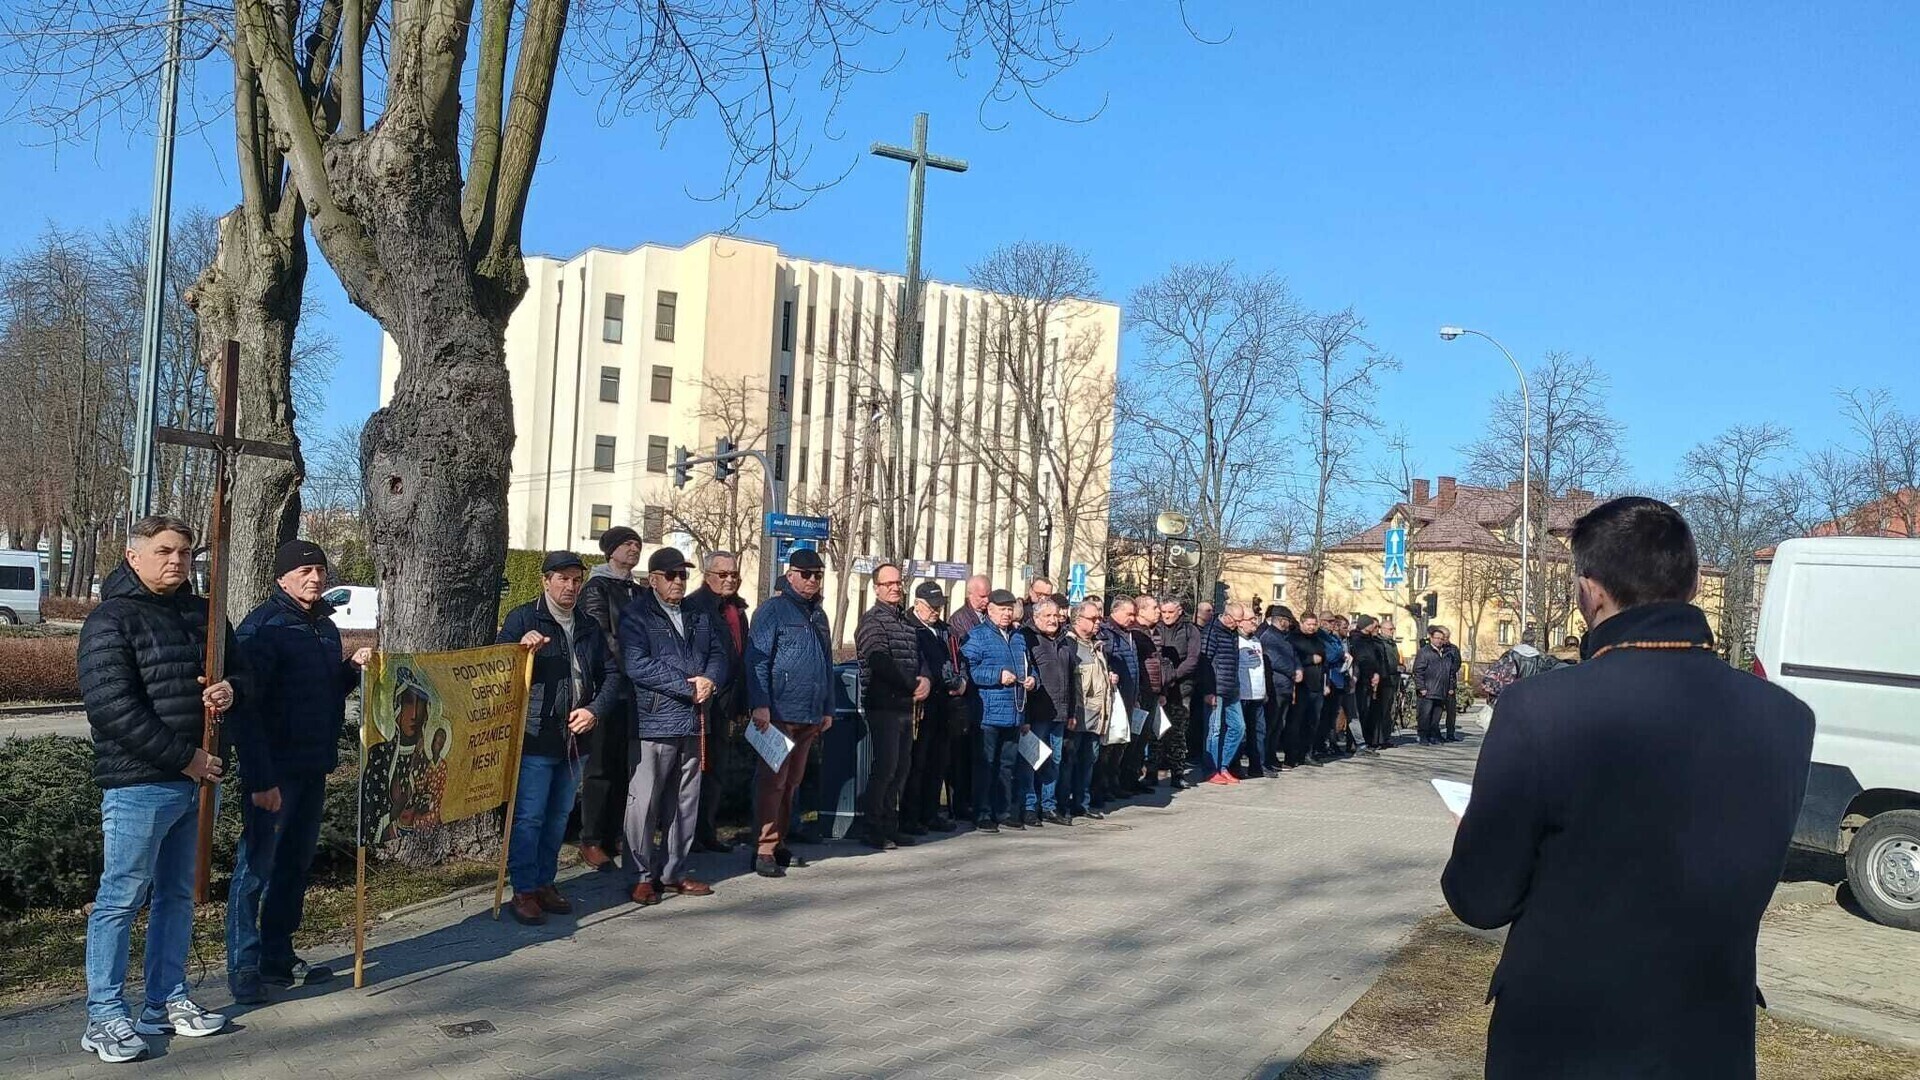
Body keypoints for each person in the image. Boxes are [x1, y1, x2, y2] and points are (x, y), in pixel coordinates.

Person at [1442, 496, 1815, 1080]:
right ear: (1693, 583)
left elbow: (1480, 899)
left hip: (1565, 1038)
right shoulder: (1788, 717)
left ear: (1589, 591)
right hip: (1707, 1038)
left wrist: (1477, 833)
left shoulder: (1539, 710)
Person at [77, 516, 242, 1061]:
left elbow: (242, 675)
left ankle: (166, 1000)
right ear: (133, 557)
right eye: (165, 551)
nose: (178, 561)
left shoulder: (204, 615)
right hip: (139, 784)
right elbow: (112, 708)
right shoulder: (110, 620)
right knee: (120, 898)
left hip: (197, 781)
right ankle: (104, 1015)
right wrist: (186, 757)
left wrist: (228, 690)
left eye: (186, 552)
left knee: (177, 896)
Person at [226, 540, 373, 1004]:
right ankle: (244, 965)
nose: (315, 578)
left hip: (313, 766)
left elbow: (325, 691)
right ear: (282, 578)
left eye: (320, 570)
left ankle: (278, 955)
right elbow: (247, 710)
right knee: (255, 869)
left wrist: (350, 668)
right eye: (305, 570)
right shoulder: (262, 629)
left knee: (293, 866)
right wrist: (260, 779)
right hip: (275, 772)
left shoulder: (324, 627)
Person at [497, 551, 621, 924]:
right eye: (563, 579)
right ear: (545, 581)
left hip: (575, 740)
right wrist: (520, 650)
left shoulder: (587, 624)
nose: (570, 587)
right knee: (529, 818)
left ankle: (545, 882)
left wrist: (594, 711)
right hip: (537, 736)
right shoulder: (524, 618)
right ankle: (523, 890)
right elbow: (497, 667)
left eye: (576, 580)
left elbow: (612, 675)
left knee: (558, 818)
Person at [618, 547, 729, 905]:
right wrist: (687, 686)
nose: (679, 581)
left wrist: (710, 680)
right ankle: (640, 874)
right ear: (653, 580)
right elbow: (637, 665)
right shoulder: (637, 615)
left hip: (695, 721)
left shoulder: (698, 613)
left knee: (685, 802)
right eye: (671, 575)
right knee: (645, 803)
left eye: (683, 574)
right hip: (655, 720)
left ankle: (673, 872)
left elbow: (719, 653)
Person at [745, 549, 836, 878]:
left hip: (810, 714)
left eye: (817, 575)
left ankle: (779, 841)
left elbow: (826, 663)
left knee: (792, 783)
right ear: (790, 574)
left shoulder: (819, 615)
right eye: (806, 574)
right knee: (773, 783)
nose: (812, 580)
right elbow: (757, 661)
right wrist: (760, 703)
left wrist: (828, 707)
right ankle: (764, 848)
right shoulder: (773, 610)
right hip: (779, 713)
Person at [575, 524, 643, 869]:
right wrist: (634, 666)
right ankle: (591, 839)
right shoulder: (597, 588)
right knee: (599, 767)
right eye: (627, 544)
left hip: (632, 692)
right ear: (611, 549)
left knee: (623, 766)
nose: (634, 549)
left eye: (638, 544)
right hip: (607, 689)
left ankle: (615, 833)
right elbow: (602, 635)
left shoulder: (637, 590)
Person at [854, 562, 929, 849]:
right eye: (889, 584)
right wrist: (911, 684)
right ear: (876, 588)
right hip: (883, 704)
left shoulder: (904, 622)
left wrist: (926, 679)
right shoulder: (873, 621)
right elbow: (879, 661)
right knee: (885, 766)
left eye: (898, 583)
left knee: (901, 767)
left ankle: (889, 824)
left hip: (904, 706)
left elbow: (918, 657)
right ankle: (873, 828)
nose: (896, 587)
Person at [682, 550, 749, 854]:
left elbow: (742, 656)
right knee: (696, 769)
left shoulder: (737, 609)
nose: (730, 579)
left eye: (734, 574)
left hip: (727, 702)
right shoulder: (696, 606)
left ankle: (707, 831)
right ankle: (689, 834)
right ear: (707, 575)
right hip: (702, 701)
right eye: (723, 574)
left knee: (717, 770)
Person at [963, 589, 1034, 832]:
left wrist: (1032, 678)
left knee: (1007, 765)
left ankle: (1003, 811)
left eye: (1009, 609)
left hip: (1015, 711)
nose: (1006, 614)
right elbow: (969, 671)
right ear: (989, 610)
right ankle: (982, 812)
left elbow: (1028, 665)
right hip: (988, 713)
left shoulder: (1018, 637)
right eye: (1001, 609)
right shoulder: (977, 636)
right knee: (985, 765)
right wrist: (996, 676)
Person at [901, 582, 965, 834]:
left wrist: (962, 681)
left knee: (938, 762)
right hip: (921, 706)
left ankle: (930, 812)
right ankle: (911, 816)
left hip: (945, 705)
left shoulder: (945, 631)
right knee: (918, 763)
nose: (936, 611)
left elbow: (958, 659)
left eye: (940, 606)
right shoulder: (909, 628)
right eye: (931, 606)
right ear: (917, 604)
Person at [1021, 595, 1079, 825]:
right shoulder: (1027, 639)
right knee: (1031, 761)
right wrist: (1024, 716)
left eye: (1056, 615)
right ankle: (1028, 806)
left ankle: (1048, 806)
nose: (1054, 620)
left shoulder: (1066, 641)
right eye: (1048, 616)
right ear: (1036, 617)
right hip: (1037, 713)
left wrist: (1072, 712)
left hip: (1060, 712)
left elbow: (1072, 679)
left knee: (1053, 761)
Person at [944, 574, 992, 820]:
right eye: (982, 596)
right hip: (968, 695)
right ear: (969, 594)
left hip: (983, 698)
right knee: (961, 755)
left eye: (988, 595)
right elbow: (964, 655)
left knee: (977, 753)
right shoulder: (960, 620)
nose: (986, 600)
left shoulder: (986, 617)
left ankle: (973, 799)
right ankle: (960, 802)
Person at [1063, 601, 1114, 820]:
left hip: (1096, 716)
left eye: (1099, 618)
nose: (1097, 623)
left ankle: (1082, 803)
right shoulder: (1069, 644)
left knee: (1088, 762)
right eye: (1093, 619)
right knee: (1069, 762)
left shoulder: (1097, 646)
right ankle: (1062, 803)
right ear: (1077, 620)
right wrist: (1070, 713)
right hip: (1077, 715)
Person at [1094, 597, 1140, 808]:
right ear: (1116, 611)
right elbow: (1106, 659)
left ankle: (1114, 781)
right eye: (1129, 614)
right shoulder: (1107, 632)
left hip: (1128, 695)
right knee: (1108, 745)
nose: (1132, 618)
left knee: (1121, 743)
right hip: (1113, 695)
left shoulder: (1127, 633)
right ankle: (1102, 785)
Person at [1156, 597, 1201, 791]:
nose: (1166, 616)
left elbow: (1192, 659)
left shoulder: (1190, 630)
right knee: (1156, 730)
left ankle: (1177, 772)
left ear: (1179, 611)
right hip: (1159, 686)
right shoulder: (1156, 628)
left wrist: (1173, 675)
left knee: (1177, 731)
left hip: (1181, 687)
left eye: (1170, 612)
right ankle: (1151, 771)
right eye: (1163, 612)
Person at [1198, 600, 1243, 784]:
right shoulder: (1211, 631)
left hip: (1231, 688)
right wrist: (1207, 691)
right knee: (1214, 730)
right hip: (1215, 689)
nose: (1238, 624)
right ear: (1227, 615)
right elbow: (1204, 662)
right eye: (1236, 620)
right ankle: (1211, 770)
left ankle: (1223, 766)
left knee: (1239, 727)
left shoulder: (1233, 634)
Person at [1123, 594, 1163, 792]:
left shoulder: (1150, 632)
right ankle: (1126, 779)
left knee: (1143, 738)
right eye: (1154, 607)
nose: (1158, 611)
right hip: (1141, 692)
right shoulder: (1135, 634)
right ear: (1141, 611)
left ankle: (1134, 778)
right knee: (1134, 738)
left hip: (1153, 690)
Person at [1258, 607, 1301, 772]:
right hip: (1275, 686)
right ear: (1281, 620)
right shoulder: (1269, 637)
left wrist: (1298, 669)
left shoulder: (1285, 638)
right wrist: (1292, 671)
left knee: (1279, 724)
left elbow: (1293, 656)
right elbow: (1273, 660)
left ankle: (1272, 756)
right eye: (1288, 620)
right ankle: (1266, 757)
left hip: (1286, 687)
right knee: (1271, 724)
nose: (1289, 624)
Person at [1231, 604, 1270, 778]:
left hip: (1257, 693)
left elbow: (1261, 668)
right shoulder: (1235, 641)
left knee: (1259, 732)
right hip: (1241, 694)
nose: (1255, 622)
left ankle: (1258, 766)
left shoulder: (1256, 640)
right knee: (1241, 733)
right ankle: (1235, 766)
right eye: (1251, 619)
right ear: (1240, 623)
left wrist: (1265, 690)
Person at [1283, 613, 1326, 769]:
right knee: (1295, 723)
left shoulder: (1317, 639)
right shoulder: (1293, 639)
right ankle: (1291, 756)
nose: (1312, 627)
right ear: (1301, 623)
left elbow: (1324, 659)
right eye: (1309, 624)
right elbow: (1292, 659)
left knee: (1313, 722)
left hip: (1317, 686)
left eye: (1314, 624)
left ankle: (1307, 753)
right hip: (1301, 687)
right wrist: (1309, 660)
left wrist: (1325, 683)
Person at [1478, 629, 1562, 704]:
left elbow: (1494, 678)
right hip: (1531, 700)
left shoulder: (1509, 655)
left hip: (1512, 699)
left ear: (1522, 639)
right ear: (1534, 641)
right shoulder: (1541, 658)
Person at [1412, 626, 1463, 745]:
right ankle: (1423, 736)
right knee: (1425, 714)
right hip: (1428, 690)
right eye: (1437, 638)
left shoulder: (1446, 653)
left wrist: (1450, 687)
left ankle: (1433, 735)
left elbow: (1450, 672)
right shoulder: (1425, 652)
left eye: (1442, 638)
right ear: (1431, 638)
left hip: (1442, 690)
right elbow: (1418, 671)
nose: (1440, 641)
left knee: (1436, 716)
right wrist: (1421, 688)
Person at [1349, 615, 1391, 750]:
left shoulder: (1370, 640)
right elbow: (1361, 659)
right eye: (1373, 625)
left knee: (1366, 712)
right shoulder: (1356, 639)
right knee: (1358, 712)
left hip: (1370, 680)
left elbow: (1375, 659)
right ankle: (1354, 742)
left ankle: (1365, 740)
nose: (1375, 627)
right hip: (1359, 679)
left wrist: (1377, 673)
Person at [1316, 614, 1351, 758]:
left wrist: (1340, 654)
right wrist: (1340, 654)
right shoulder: (1321, 636)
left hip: (1339, 678)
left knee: (1332, 715)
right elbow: (1330, 655)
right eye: (1331, 622)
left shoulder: (1334, 637)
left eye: (1334, 622)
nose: (1333, 624)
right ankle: (1320, 745)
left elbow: (1338, 652)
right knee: (1323, 716)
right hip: (1328, 679)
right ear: (1323, 622)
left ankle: (1330, 743)